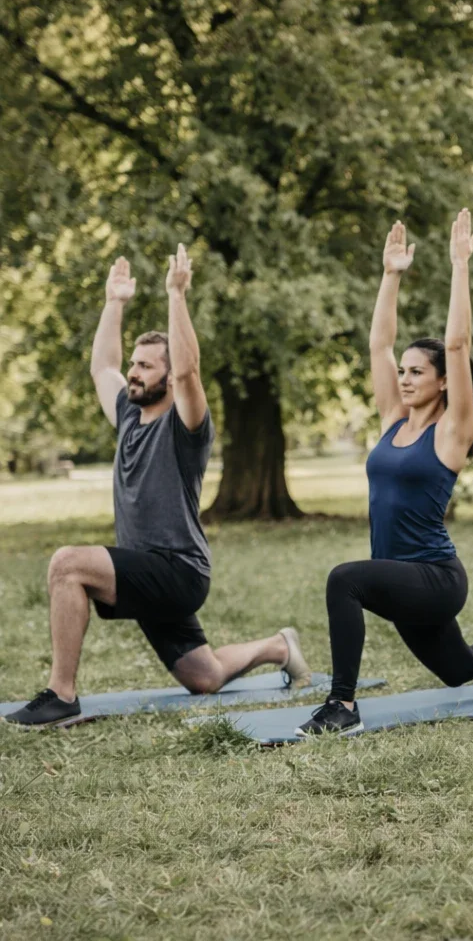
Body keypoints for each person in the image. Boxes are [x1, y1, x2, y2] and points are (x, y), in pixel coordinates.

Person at [3, 247, 310, 728]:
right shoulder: (128, 413)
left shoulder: (186, 427)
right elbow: (100, 367)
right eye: (135, 363)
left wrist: (176, 294)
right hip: (146, 568)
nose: (134, 372)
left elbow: (189, 370)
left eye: (147, 366)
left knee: (67, 564)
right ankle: (279, 646)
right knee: (203, 676)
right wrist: (114, 302)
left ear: (168, 377)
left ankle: (62, 694)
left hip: (179, 570)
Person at [297, 211, 473, 736]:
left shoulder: (451, 431)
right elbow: (378, 346)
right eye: (405, 371)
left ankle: (342, 705)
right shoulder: (394, 420)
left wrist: (459, 265)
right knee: (457, 669)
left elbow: (459, 345)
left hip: (436, 578)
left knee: (344, 579)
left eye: (418, 371)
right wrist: (390, 275)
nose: (405, 377)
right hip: (401, 579)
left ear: (444, 383)